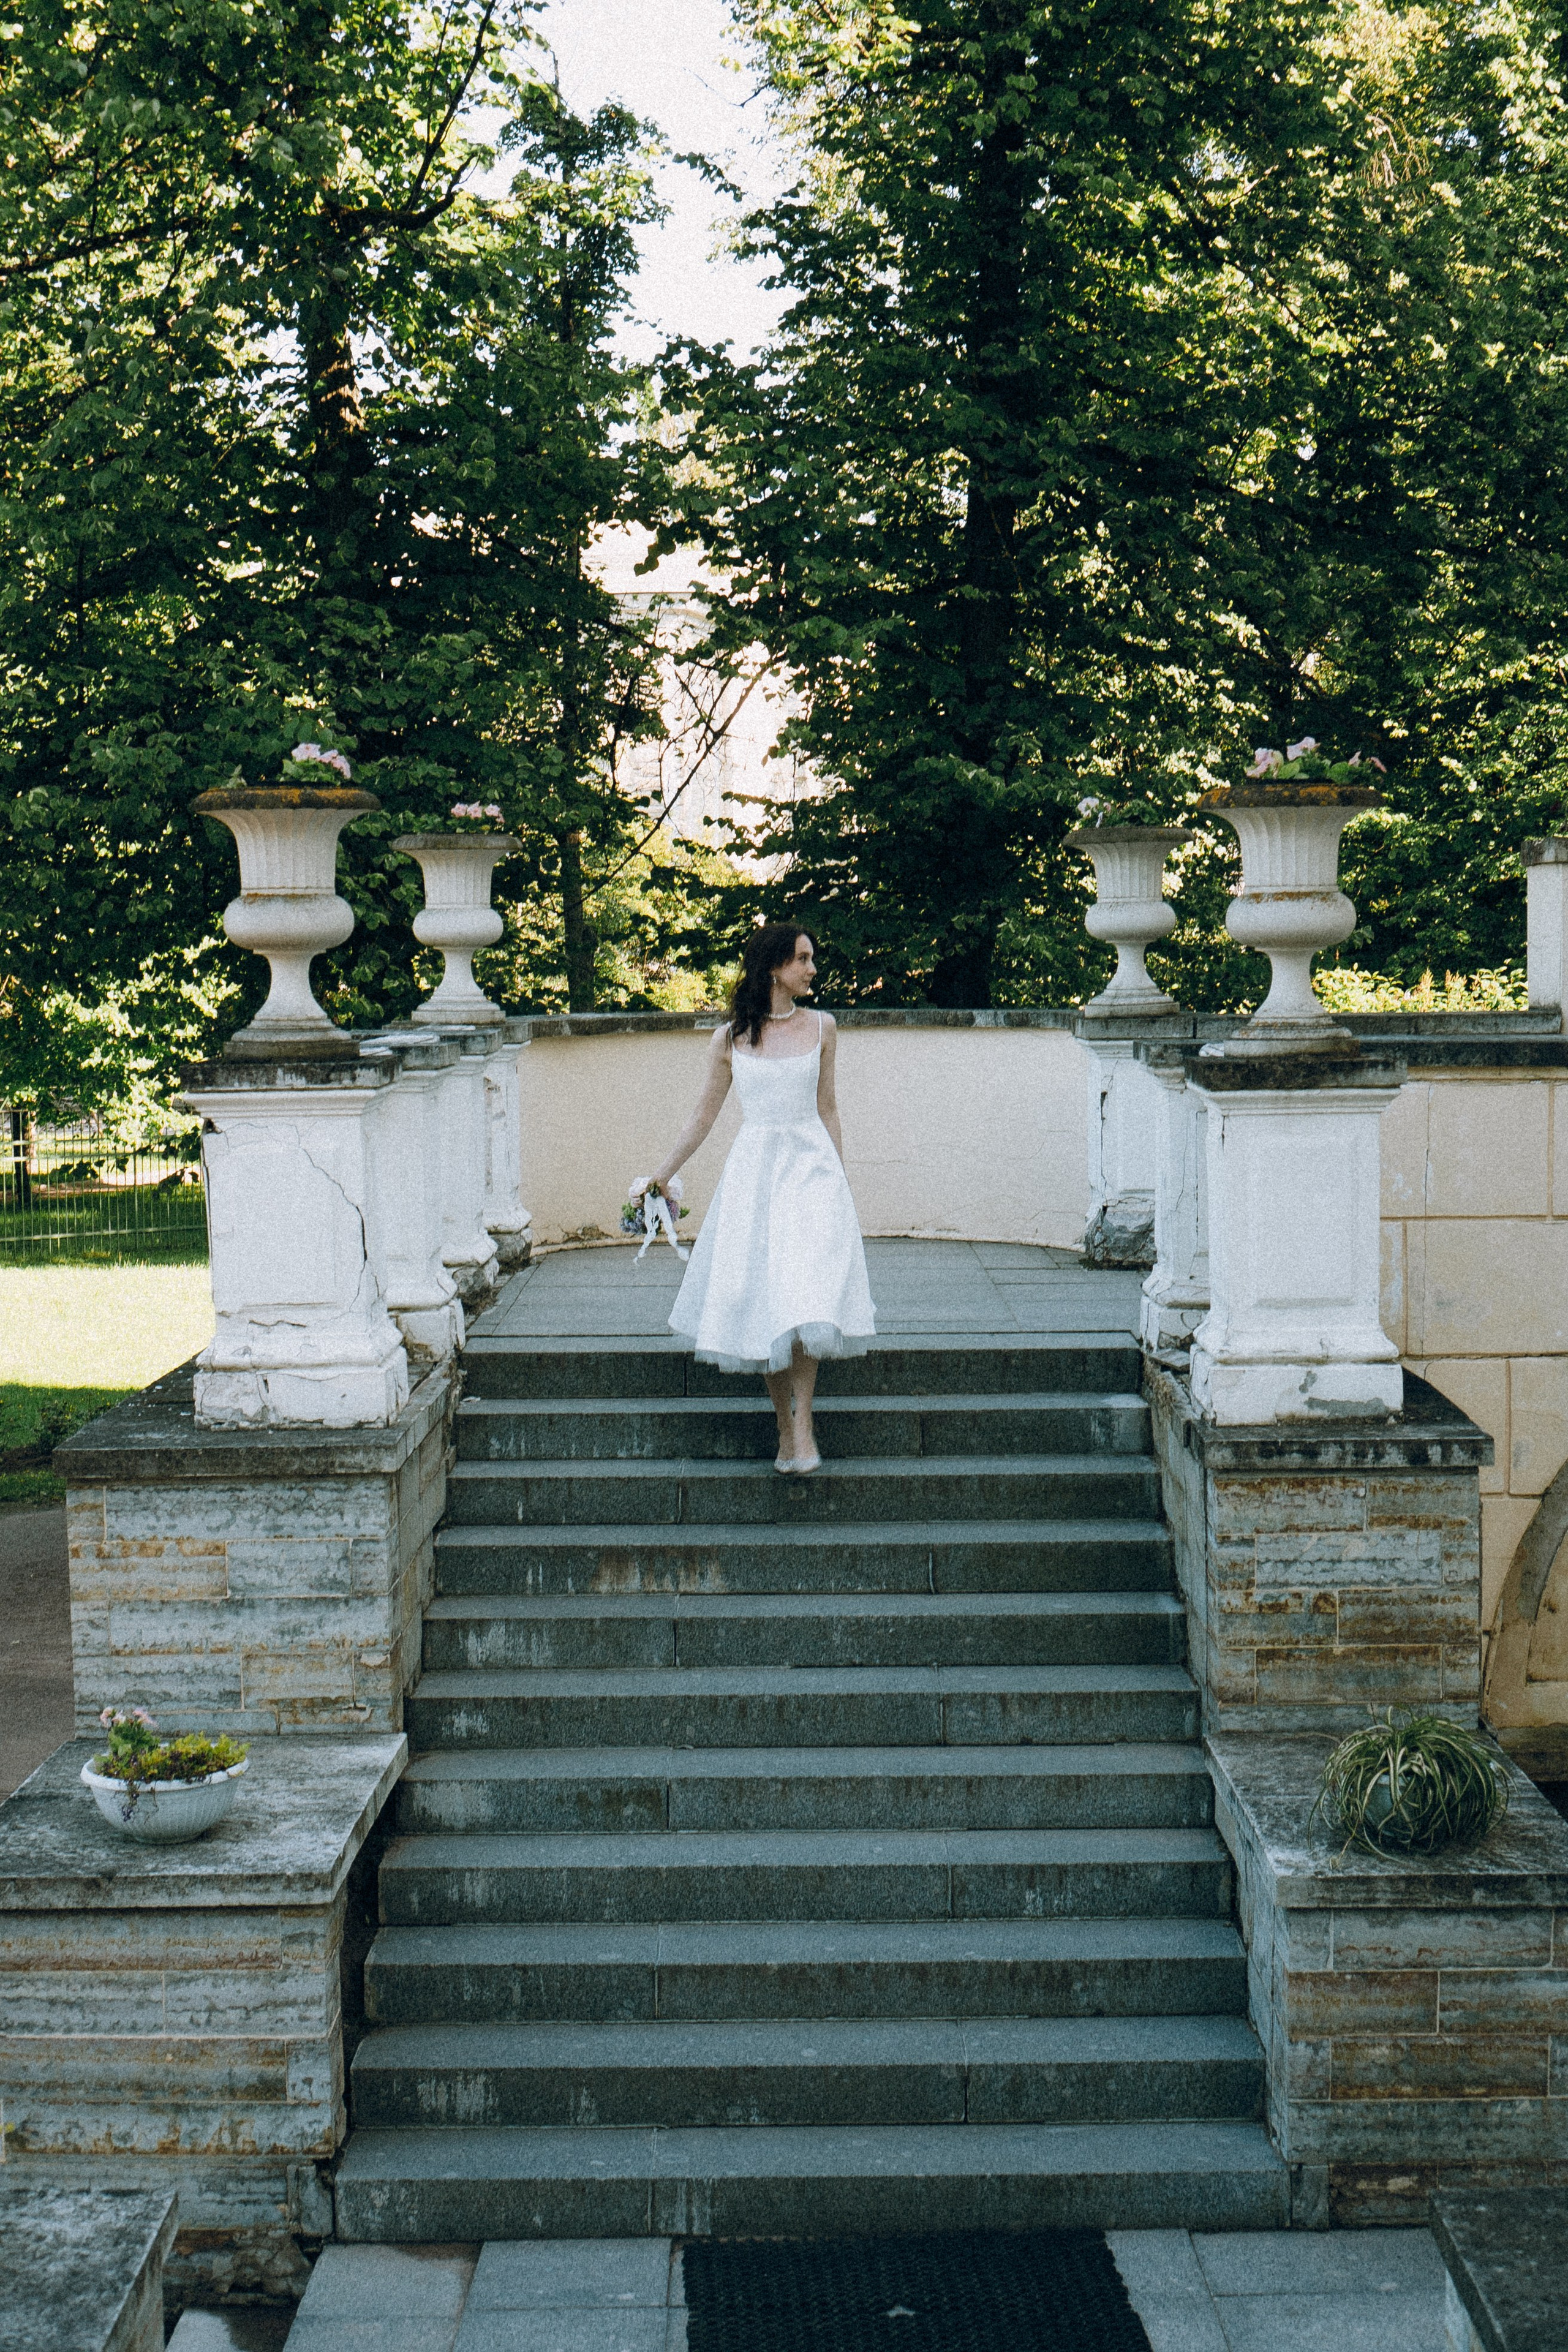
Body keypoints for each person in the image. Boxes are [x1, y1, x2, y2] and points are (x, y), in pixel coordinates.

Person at [631, 924, 876, 1473]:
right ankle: (786, 1431)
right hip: (756, 1176)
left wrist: (840, 1180)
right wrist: (661, 1176)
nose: (813, 969)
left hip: (812, 1173)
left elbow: (829, 1108)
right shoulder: (730, 1039)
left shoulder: (824, 1028)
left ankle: (806, 1427)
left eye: (812, 958)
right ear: (774, 967)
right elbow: (703, 1116)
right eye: (803, 959)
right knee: (767, 1296)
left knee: (809, 1295)